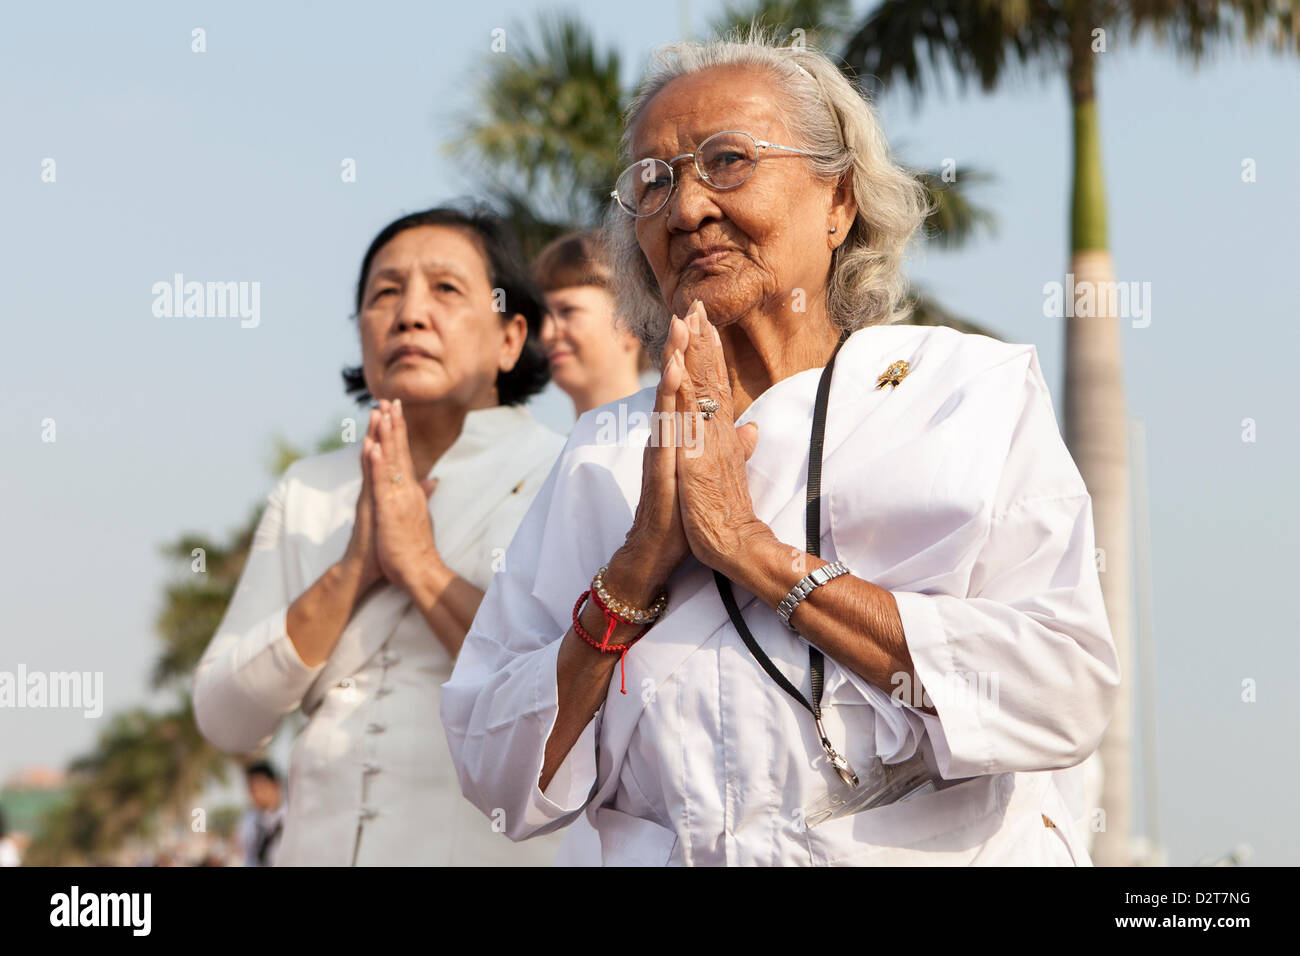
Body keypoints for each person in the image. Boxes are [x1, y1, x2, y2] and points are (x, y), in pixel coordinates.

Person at [442, 33, 1120, 866]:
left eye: (728, 161)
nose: (686, 209)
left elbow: (1063, 692)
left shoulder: (961, 391)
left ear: (838, 203)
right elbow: (496, 769)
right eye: (654, 181)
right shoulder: (603, 453)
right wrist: (634, 572)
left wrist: (751, 552)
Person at [194, 206, 567, 865]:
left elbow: (570, 700)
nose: (410, 314)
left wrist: (420, 567)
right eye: (384, 293)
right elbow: (226, 718)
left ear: (511, 338)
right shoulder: (310, 488)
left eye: (446, 289)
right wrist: (355, 567)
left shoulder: (565, 474)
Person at [535, 230, 651, 416]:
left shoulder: (670, 439)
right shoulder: (556, 445)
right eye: (542, 316)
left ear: (630, 321)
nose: (546, 333)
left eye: (567, 311)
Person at [238, 761, 286, 867]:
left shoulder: (291, 818)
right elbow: (249, 858)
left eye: (261, 787)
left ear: (275, 784)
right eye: (252, 789)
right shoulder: (249, 822)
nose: (257, 794)